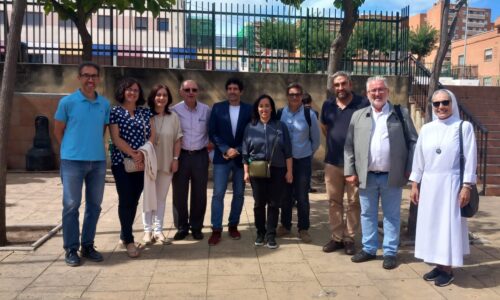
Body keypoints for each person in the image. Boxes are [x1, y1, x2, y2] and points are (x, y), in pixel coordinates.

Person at [344, 76, 417, 269]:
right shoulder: (358, 116)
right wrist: (349, 171)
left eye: (381, 90)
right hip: (366, 175)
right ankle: (369, 248)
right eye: (373, 91)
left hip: (391, 175)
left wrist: (411, 167)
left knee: (391, 215)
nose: (377, 93)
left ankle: (390, 252)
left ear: (388, 91)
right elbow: (349, 147)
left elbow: (413, 141)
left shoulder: (400, 113)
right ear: (367, 94)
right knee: (367, 214)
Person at [409, 89, 477, 287]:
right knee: (432, 225)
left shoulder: (463, 127)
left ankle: (448, 268)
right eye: (436, 104)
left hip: (451, 184)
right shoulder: (427, 129)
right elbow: (419, 158)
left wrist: (466, 186)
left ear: (452, 103)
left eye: (445, 102)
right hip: (430, 184)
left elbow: (471, 158)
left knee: (447, 225)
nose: (441, 107)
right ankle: (439, 265)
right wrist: (415, 184)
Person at [54, 62, 110, 267]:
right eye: (86, 75)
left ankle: (87, 245)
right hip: (72, 163)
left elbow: (102, 130)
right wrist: (69, 149)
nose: (90, 80)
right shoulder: (67, 102)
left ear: (98, 79)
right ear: (79, 77)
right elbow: (58, 130)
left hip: (97, 162)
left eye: (94, 76)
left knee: (94, 206)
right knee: (71, 206)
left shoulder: (104, 104)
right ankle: (70, 249)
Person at [320, 71, 369, 255]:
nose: (340, 88)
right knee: (334, 202)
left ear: (350, 84)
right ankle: (337, 238)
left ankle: (349, 238)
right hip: (332, 162)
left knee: (354, 202)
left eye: (343, 84)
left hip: (355, 164)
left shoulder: (362, 104)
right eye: (337, 85)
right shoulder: (328, 105)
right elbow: (325, 128)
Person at [109, 78, 154, 258]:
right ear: (123, 91)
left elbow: (152, 135)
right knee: (125, 199)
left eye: (136, 90)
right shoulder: (115, 112)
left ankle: (123, 233)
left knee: (134, 200)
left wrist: (142, 153)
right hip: (122, 162)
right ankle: (129, 240)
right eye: (129, 90)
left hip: (142, 162)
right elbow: (115, 137)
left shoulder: (145, 112)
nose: (132, 93)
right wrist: (132, 154)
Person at [242, 94, 293, 249]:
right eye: (261, 106)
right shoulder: (250, 127)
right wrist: (246, 172)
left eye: (267, 106)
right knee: (259, 203)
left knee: (274, 203)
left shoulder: (280, 126)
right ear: (257, 109)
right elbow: (245, 151)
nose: (264, 109)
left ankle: (271, 234)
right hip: (257, 170)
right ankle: (260, 232)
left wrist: (289, 171)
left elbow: (288, 151)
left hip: (278, 169)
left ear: (272, 108)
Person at [207, 78, 252, 246]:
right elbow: (212, 132)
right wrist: (226, 149)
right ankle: (216, 229)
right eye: (230, 88)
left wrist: (237, 149)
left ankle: (233, 225)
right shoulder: (218, 108)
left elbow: (250, 133)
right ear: (227, 91)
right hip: (222, 157)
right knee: (218, 194)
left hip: (241, 159)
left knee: (239, 194)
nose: (232, 91)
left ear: (241, 91)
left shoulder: (249, 109)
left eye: (235, 88)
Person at [277, 83, 320, 243]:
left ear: (301, 96)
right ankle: (285, 226)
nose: (294, 97)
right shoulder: (281, 113)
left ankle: (303, 228)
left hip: (302, 161)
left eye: (297, 94)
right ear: (287, 96)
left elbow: (315, 140)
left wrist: (307, 154)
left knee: (302, 197)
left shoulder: (310, 115)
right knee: (285, 196)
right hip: (284, 162)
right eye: (291, 94)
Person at [142, 84, 183, 245]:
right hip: (148, 164)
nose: (161, 98)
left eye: (164, 95)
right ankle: (147, 231)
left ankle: (158, 231)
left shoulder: (173, 116)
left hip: (167, 162)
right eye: (158, 95)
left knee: (160, 198)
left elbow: (178, 139)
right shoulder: (145, 115)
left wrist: (175, 159)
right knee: (147, 197)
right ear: (153, 97)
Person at [171, 80, 211, 241]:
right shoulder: (174, 110)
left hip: (200, 155)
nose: (191, 92)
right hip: (181, 156)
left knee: (199, 194)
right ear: (181, 91)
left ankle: (196, 227)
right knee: (179, 193)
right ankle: (182, 227)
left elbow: (211, 131)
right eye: (187, 89)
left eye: (194, 89)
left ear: (198, 91)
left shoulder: (206, 110)